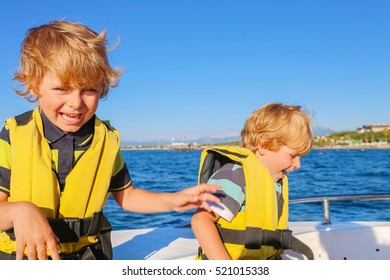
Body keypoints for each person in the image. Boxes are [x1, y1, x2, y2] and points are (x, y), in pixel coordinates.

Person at [0, 20, 220, 260]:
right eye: (62, 89)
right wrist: (20, 211)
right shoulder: (13, 136)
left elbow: (128, 197)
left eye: (88, 90)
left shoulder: (105, 140)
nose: (76, 102)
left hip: (88, 256)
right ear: (32, 83)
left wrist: (175, 201)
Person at [191, 103, 313, 260]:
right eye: (293, 156)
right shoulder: (234, 176)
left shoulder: (272, 182)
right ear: (263, 145)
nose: (298, 164)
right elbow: (201, 220)